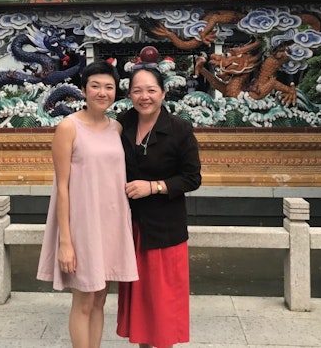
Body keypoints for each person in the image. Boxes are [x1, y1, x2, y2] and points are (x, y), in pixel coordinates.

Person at [37, 60, 138, 348]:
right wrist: (65, 242)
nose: (102, 92)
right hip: (82, 226)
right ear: (83, 90)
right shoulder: (68, 128)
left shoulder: (117, 128)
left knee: (100, 300)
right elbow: (62, 187)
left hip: (111, 225)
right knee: (83, 300)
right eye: (95, 86)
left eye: (109, 87)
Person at [116, 64, 202, 348]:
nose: (144, 96)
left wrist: (153, 187)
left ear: (163, 93)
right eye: (137, 90)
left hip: (165, 229)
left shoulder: (179, 129)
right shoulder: (122, 124)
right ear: (129, 94)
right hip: (132, 226)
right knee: (141, 302)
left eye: (151, 90)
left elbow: (192, 178)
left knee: (162, 302)